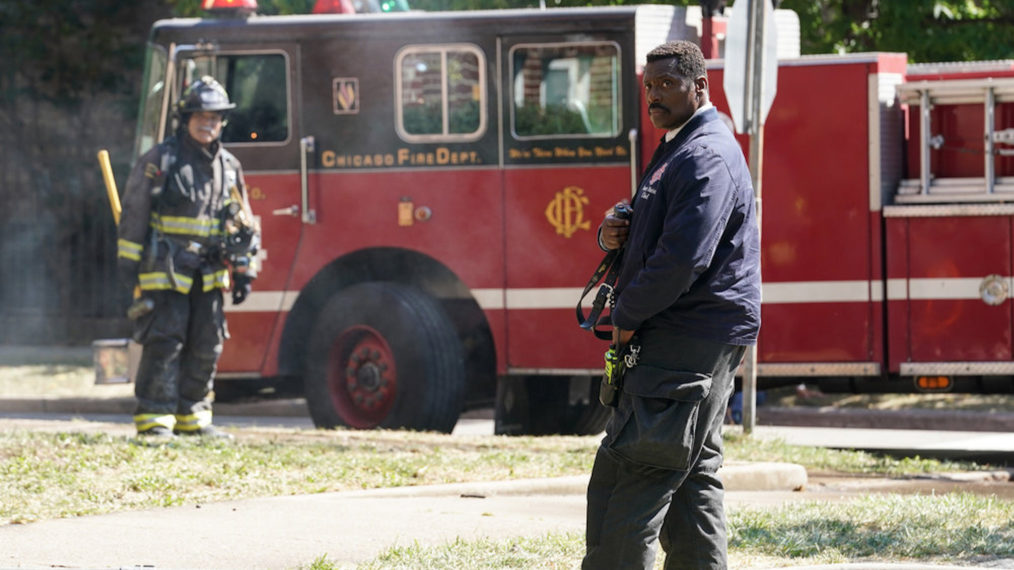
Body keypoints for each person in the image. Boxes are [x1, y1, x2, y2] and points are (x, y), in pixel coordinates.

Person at [583, 41, 761, 569]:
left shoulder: (705, 154)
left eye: (666, 85)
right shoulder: (680, 145)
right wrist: (617, 226)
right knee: (692, 480)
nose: (654, 97)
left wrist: (625, 316)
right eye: (649, 87)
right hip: (690, 336)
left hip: (686, 336)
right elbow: (663, 225)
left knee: (636, 475)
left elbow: (683, 260)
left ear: (699, 86)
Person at [116, 76, 261, 439]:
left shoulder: (229, 166)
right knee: (166, 341)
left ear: (222, 122)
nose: (208, 123)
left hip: (209, 271)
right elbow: (133, 214)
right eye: (200, 116)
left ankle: (193, 418)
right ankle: (154, 419)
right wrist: (128, 265)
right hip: (165, 270)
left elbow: (244, 220)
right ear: (186, 118)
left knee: (206, 345)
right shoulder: (160, 160)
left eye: (215, 117)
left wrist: (244, 269)